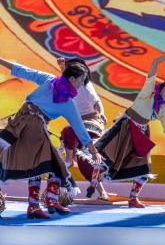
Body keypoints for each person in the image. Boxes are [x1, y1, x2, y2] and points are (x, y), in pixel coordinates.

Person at [0, 57, 100, 218]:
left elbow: (22, 70)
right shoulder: (67, 103)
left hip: (20, 121)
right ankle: (50, 201)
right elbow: (79, 128)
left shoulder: (49, 80)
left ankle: (35, 206)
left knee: (38, 165)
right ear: (72, 78)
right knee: (55, 164)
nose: (82, 85)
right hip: (34, 126)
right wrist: (94, 152)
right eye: (81, 80)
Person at [93, 46, 165, 208]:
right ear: (164, 89)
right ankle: (95, 180)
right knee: (107, 157)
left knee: (144, 169)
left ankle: (133, 198)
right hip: (126, 127)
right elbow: (155, 63)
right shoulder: (149, 91)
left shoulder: (163, 107)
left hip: (141, 133)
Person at [56, 57, 110, 201]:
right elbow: (67, 77)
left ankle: (68, 159)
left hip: (91, 122)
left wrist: (101, 113)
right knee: (83, 162)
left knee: (68, 132)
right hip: (77, 123)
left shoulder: (85, 85)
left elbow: (97, 102)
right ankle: (102, 193)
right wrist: (62, 66)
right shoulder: (67, 82)